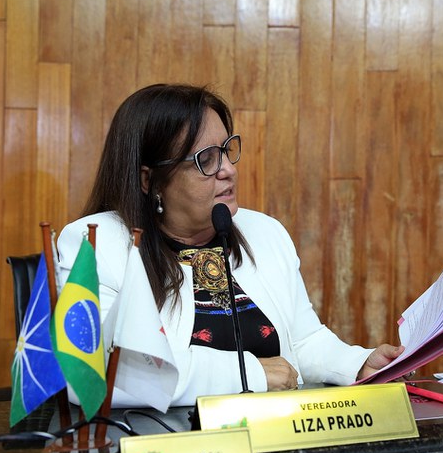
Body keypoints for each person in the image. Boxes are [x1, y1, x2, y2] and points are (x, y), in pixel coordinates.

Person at [57, 83, 405, 408]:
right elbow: (93, 370)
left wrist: (358, 363)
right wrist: (251, 374)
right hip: (165, 443)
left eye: (226, 150)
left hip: (275, 435)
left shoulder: (264, 232)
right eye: (206, 159)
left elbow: (303, 341)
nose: (228, 170)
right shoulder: (95, 243)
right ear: (150, 180)